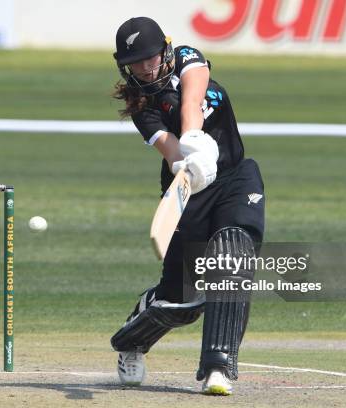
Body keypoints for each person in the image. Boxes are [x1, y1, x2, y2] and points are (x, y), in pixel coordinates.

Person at [110, 17, 265, 395]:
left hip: (234, 176)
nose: (145, 67)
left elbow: (193, 99)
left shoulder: (187, 58)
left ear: (165, 49)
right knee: (180, 299)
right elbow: (169, 150)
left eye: (150, 57)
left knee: (233, 254)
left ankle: (219, 366)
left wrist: (196, 139)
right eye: (136, 62)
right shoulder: (142, 107)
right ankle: (132, 340)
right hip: (188, 189)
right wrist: (187, 162)